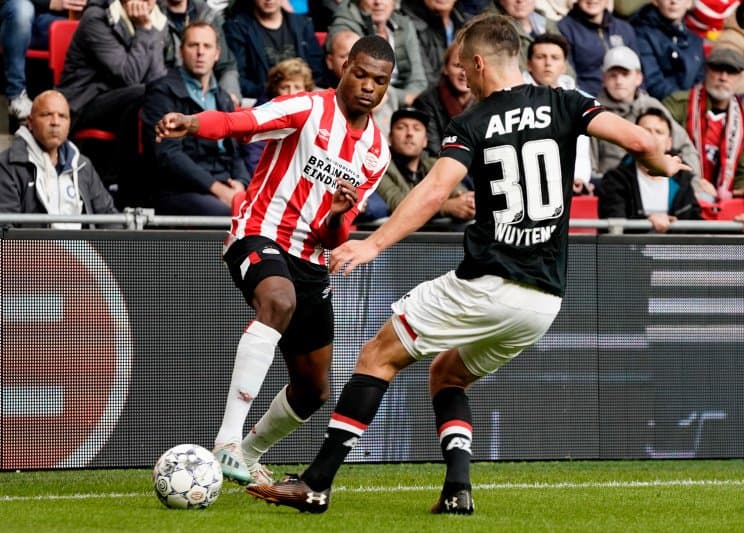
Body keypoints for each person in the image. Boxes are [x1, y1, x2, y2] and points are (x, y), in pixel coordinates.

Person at [246, 13, 689, 514]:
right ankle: (458, 489)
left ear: (480, 63)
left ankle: (316, 483)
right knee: (448, 375)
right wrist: (663, 163)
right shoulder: (567, 101)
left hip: (489, 281)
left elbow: (435, 190)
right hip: (543, 300)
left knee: (377, 356)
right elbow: (642, 142)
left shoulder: (474, 122)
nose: (462, 78)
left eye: (464, 68)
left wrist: (373, 244)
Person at [154, 35, 395, 485]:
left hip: (311, 257)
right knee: (278, 300)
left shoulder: (375, 153)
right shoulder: (306, 108)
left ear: (387, 87)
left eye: (378, 81)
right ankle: (226, 440)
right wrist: (190, 123)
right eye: (359, 74)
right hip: (258, 232)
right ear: (343, 70)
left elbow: (334, 234)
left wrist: (339, 217)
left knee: (313, 389)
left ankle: (246, 453)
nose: (367, 86)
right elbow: (240, 122)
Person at [142, 21, 250, 215]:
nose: (200, 52)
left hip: (223, 184)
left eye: (207, 46)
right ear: (181, 51)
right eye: (193, 45)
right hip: (179, 190)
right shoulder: (161, 91)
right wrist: (218, 190)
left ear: (216, 54)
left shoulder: (223, 98)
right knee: (231, 214)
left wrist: (241, 185)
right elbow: (168, 155)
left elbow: (236, 154)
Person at [663, 46, 744, 210]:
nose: (723, 77)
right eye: (718, 70)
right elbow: (662, 150)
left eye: (731, 72)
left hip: (724, 200)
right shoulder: (678, 105)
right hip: (681, 191)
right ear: (706, 70)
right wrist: (693, 179)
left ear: (739, 78)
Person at [0, 90, 118, 227]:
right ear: (30, 123)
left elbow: (109, 217)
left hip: (83, 247)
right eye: (46, 115)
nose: (55, 122)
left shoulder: (82, 165)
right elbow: (4, 232)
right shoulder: (7, 165)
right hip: (35, 247)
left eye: (62, 116)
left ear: (68, 125)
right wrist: (56, 249)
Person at [57, 0, 167, 135]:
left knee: (163, 94)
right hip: (84, 103)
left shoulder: (156, 18)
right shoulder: (97, 18)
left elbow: (156, 75)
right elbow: (129, 76)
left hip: (124, 99)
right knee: (143, 94)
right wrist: (144, 30)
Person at [591, 46, 699, 181]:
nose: (619, 81)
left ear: (638, 78)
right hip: (612, 189)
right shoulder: (594, 112)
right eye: (613, 75)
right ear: (604, 79)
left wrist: (693, 183)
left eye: (625, 74)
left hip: (658, 185)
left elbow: (685, 146)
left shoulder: (652, 105)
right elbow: (590, 169)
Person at [598, 107, 701, 232]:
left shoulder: (683, 179)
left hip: (675, 251)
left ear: (669, 143)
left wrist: (731, 227)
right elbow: (614, 224)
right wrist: (648, 221)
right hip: (628, 251)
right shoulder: (615, 179)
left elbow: (696, 227)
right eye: (645, 131)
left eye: (659, 132)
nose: (652, 136)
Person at [377, 106, 475, 223]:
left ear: (425, 141)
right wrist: (444, 207)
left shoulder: (434, 164)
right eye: (401, 127)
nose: (409, 133)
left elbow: (459, 193)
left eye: (417, 128)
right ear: (390, 138)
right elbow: (397, 204)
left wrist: (467, 203)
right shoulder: (380, 166)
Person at [526, 33, 593, 194]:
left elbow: (581, 148)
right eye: (541, 57)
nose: (548, 63)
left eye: (555, 58)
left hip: (567, 186)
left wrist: (579, 177)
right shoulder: (512, 97)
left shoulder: (582, 100)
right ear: (529, 64)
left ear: (564, 66)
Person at [328, 0, 428, 106]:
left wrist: (397, 98)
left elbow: (418, 81)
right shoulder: (345, 25)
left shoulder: (404, 24)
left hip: (403, 103)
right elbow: (354, 82)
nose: (378, 2)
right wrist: (403, 98)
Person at [0, 0, 87, 120]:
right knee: (22, 10)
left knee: (88, 26)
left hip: (50, 19)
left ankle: (74, 101)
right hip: (15, 13)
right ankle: (16, 94)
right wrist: (50, 3)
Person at [223, 0, 324, 100]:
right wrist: (273, 92)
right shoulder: (237, 28)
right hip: (260, 99)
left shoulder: (302, 24)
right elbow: (237, 76)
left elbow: (316, 69)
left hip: (302, 95)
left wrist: (301, 90)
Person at [242, 57, 316, 174]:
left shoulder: (315, 114)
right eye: (285, 87)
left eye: (297, 87)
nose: (292, 93)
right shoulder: (263, 113)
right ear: (275, 89)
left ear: (307, 90)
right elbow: (254, 156)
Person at [159, 0, 242, 105]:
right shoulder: (149, 14)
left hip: (206, 95)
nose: (200, 52)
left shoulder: (207, 14)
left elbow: (226, 65)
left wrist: (229, 95)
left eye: (206, 46)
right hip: (168, 95)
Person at [557, 0, 638, 96]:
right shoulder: (563, 29)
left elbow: (637, 70)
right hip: (590, 100)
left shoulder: (624, 28)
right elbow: (568, 76)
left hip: (628, 99)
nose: (592, 0)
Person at [629, 0, 705, 100]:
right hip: (658, 107)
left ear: (689, 3)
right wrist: (685, 102)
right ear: (655, 1)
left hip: (691, 108)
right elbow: (653, 83)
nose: (673, 1)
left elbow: (701, 83)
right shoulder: (641, 34)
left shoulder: (695, 41)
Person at [413, 41, 475, 157]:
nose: (464, 73)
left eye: (469, 67)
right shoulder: (426, 102)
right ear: (445, 68)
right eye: (458, 66)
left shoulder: (485, 101)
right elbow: (433, 150)